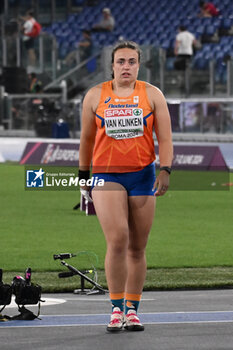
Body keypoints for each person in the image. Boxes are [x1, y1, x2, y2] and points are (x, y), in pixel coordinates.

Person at [78, 41, 173, 332]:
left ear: (139, 65)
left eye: (132, 61)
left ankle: (132, 309)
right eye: (121, 61)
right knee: (118, 239)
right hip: (107, 175)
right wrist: (83, 175)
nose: (126, 67)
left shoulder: (152, 94)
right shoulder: (95, 95)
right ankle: (115, 308)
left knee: (137, 247)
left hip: (143, 175)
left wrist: (165, 169)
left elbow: (166, 138)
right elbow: (86, 140)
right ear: (112, 65)